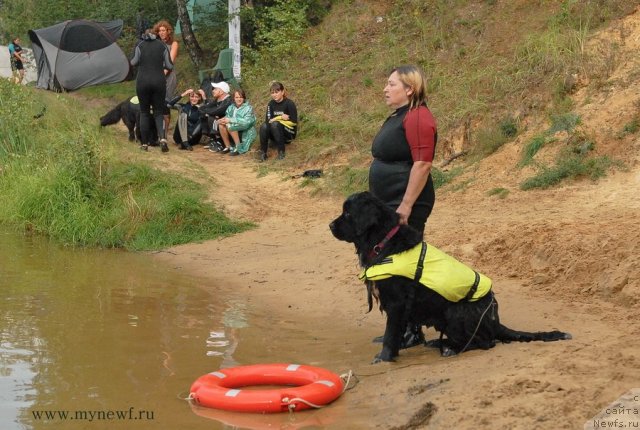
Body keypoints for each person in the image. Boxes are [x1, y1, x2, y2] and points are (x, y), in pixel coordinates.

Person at [369, 64, 438, 349]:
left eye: (391, 84)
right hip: (392, 201)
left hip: (407, 203)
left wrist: (406, 207)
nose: (385, 89)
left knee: (403, 267)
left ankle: (411, 330)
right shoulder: (402, 116)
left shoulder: (419, 117)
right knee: (392, 266)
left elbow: (422, 164)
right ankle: (401, 327)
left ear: (409, 89)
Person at [130, 30, 173, 152]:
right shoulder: (162, 45)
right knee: (159, 112)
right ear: (156, 35)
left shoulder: (140, 45)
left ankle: (144, 144)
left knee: (144, 112)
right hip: (159, 81)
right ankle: (162, 139)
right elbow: (170, 65)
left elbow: (133, 62)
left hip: (142, 82)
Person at [258, 81, 297, 161]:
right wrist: (280, 117)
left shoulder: (289, 103)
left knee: (275, 124)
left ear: (282, 92)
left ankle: (281, 152)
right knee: (264, 126)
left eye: (277, 92)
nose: (274, 95)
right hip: (274, 132)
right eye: (272, 93)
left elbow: (294, 122)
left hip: (289, 133)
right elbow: (268, 121)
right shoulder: (271, 104)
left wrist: (277, 119)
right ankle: (263, 153)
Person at [154, 20, 179, 139]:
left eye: (164, 30)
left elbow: (170, 62)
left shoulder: (173, 44)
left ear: (168, 31)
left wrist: (161, 75)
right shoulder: (155, 43)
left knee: (165, 104)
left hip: (168, 77)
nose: (162, 32)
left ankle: (164, 135)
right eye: (159, 31)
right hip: (155, 76)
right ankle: (157, 131)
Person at [218, 89, 257, 156]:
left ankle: (238, 148)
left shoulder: (248, 108)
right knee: (221, 125)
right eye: (237, 97)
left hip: (246, 129)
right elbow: (227, 116)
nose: (239, 99)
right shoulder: (231, 107)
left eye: (241, 97)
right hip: (233, 130)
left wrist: (230, 120)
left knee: (231, 125)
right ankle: (228, 147)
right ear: (234, 98)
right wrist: (222, 120)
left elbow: (247, 122)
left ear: (244, 98)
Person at [200, 81, 233, 152]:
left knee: (212, 118)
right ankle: (213, 139)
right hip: (220, 121)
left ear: (221, 91)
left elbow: (218, 111)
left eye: (215, 89)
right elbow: (204, 107)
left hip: (229, 123)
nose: (213, 91)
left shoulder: (228, 100)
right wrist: (205, 111)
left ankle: (220, 142)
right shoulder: (218, 99)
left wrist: (208, 112)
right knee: (206, 116)